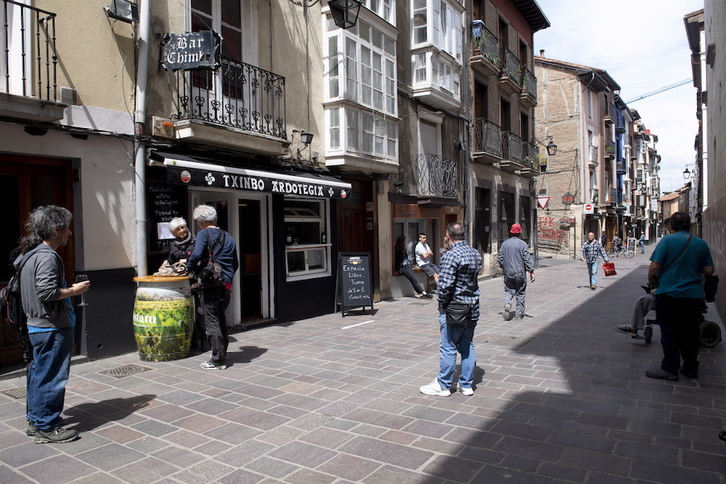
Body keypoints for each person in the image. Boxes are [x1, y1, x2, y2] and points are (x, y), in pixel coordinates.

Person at [18, 206, 90, 443]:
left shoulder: (30, 254)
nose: (69, 233)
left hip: (37, 325)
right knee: (52, 377)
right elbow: (47, 291)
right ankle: (47, 426)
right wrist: (74, 290)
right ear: (56, 229)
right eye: (67, 228)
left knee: (39, 373)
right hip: (51, 326)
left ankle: (36, 420)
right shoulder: (47, 256)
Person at [645, 212, 714, 381]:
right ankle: (690, 368)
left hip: (668, 294)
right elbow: (709, 270)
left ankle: (669, 369)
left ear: (672, 226)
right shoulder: (701, 243)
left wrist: (651, 278)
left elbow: (655, 265)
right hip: (693, 296)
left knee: (669, 332)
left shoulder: (667, 241)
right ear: (689, 225)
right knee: (690, 332)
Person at [420, 222, 482, 397]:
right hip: (473, 307)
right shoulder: (475, 253)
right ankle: (467, 384)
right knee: (467, 345)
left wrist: (441, 304)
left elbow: (445, 286)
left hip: (455, 309)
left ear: (448, 237)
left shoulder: (450, 255)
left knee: (448, 347)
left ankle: (443, 384)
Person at [186, 205, 239, 370]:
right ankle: (222, 353)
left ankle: (217, 359)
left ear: (201, 221)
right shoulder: (228, 236)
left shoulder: (203, 233)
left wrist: (188, 267)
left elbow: (196, 254)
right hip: (226, 284)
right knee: (221, 318)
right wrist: (227, 277)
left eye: (198, 222)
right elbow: (235, 263)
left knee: (212, 321)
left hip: (211, 284)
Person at [497, 223, 535, 321]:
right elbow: (526, 258)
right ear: (520, 232)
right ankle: (519, 314)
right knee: (520, 292)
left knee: (509, 289)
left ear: (511, 232)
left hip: (508, 272)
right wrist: (531, 271)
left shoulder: (505, 243)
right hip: (520, 272)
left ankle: (508, 303)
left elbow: (500, 257)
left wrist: (503, 267)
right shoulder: (522, 244)